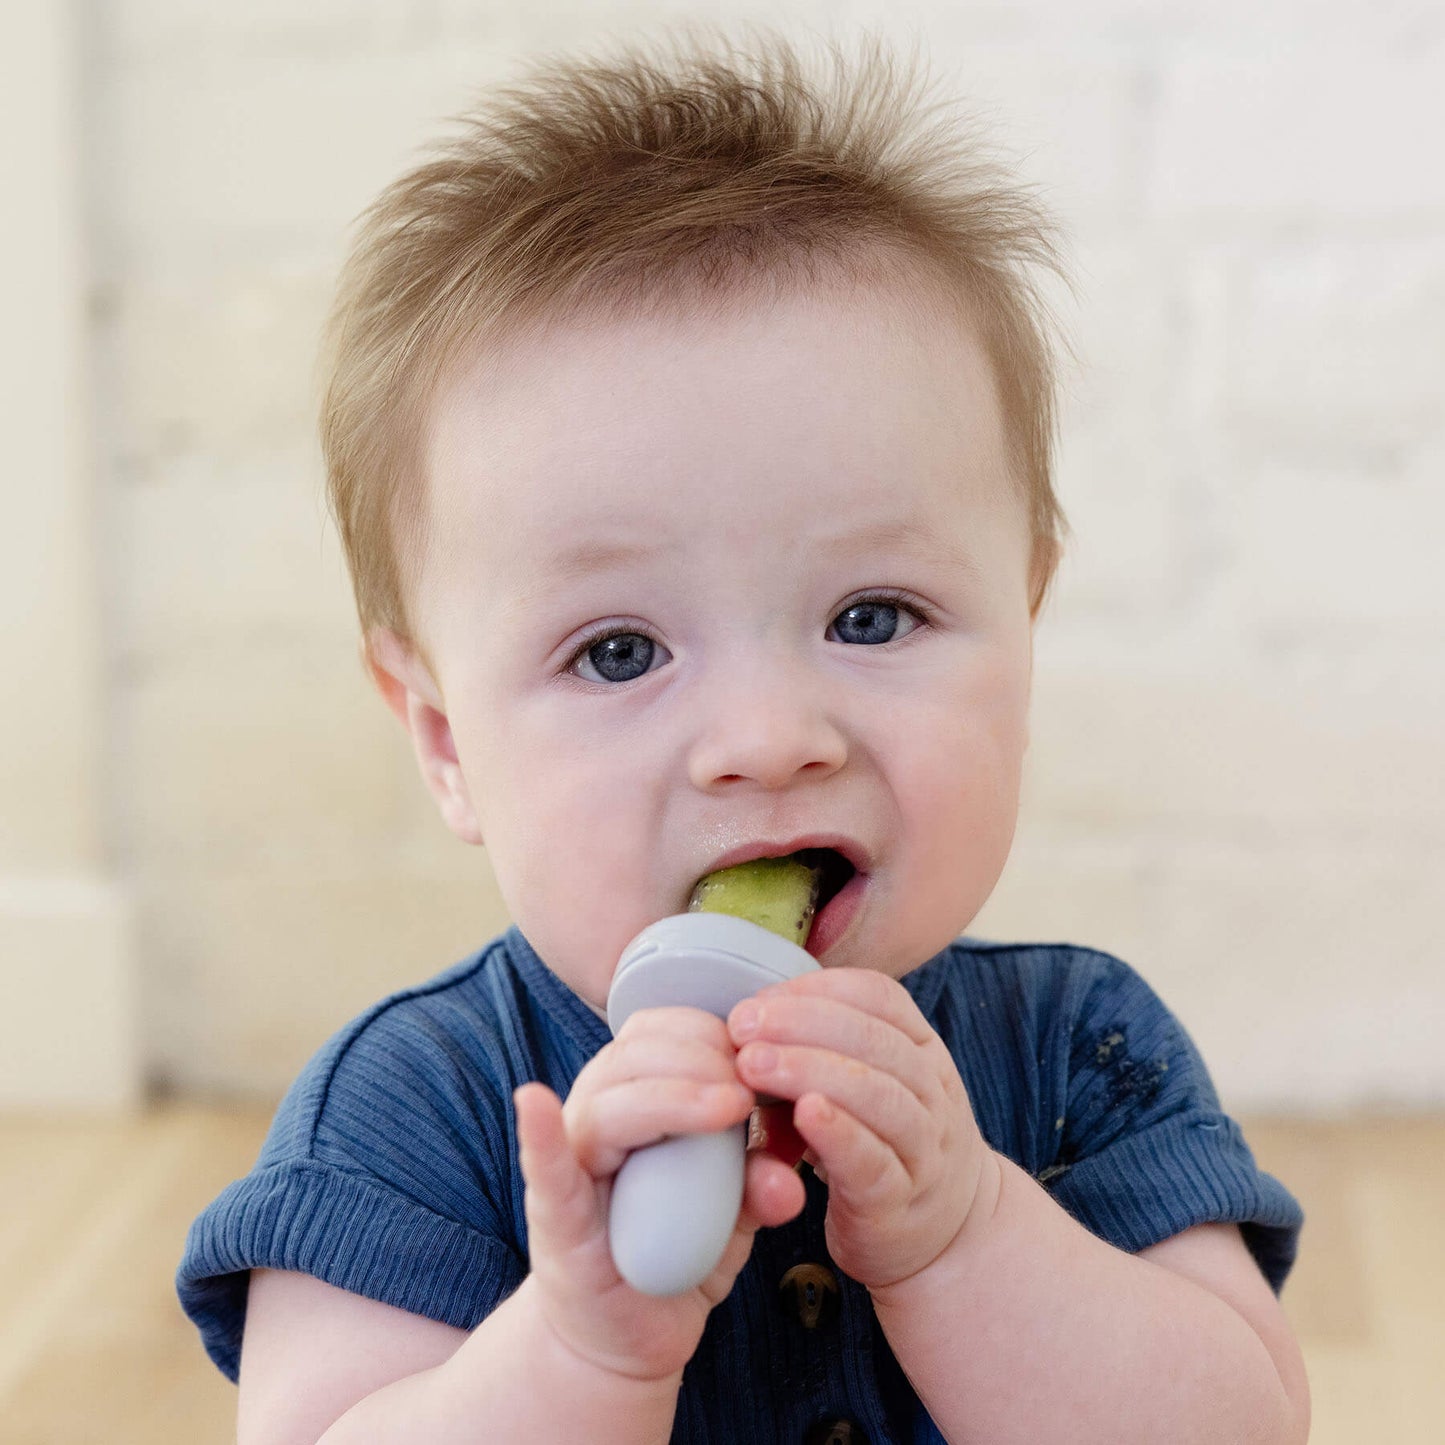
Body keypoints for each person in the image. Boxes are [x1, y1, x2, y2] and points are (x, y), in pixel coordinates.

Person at [177, 29, 1309, 1444]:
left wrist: (967, 1237)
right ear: (446, 740)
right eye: (618, 652)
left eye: (871, 617)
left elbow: (1239, 1425)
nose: (768, 742)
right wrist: (580, 1348)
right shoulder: (420, 1106)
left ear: (1023, 628)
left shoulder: (1080, 1050)